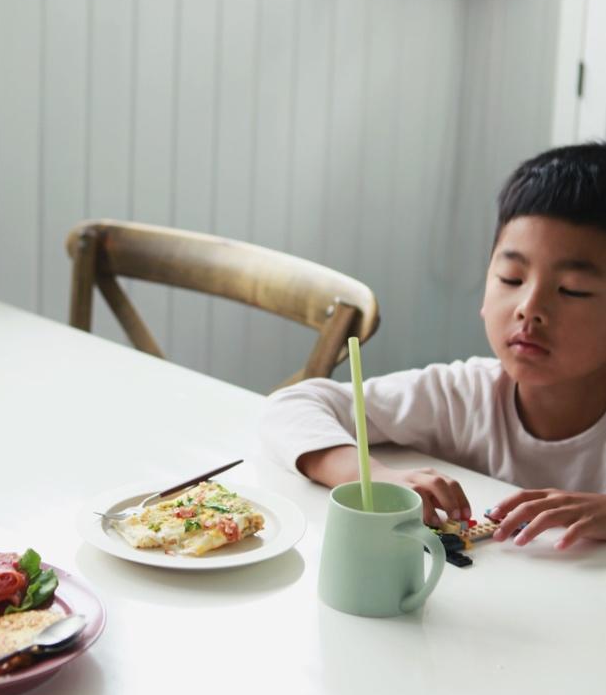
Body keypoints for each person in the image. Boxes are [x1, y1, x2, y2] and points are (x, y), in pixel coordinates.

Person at [260, 142, 606, 550]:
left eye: (573, 290)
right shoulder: (464, 394)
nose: (529, 309)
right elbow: (292, 407)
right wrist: (377, 479)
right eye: (511, 278)